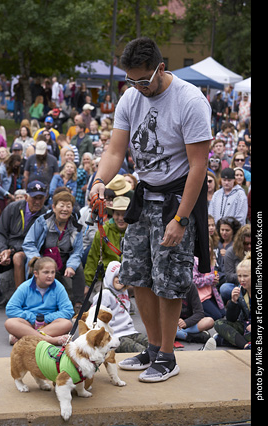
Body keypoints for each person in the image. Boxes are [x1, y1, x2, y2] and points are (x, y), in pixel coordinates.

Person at [90, 37, 212, 383]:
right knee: (136, 273)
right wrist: (99, 181)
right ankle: (154, 347)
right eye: (132, 80)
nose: (139, 87)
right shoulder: (131, 97)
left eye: (144, 80)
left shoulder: (190, 101)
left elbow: (198, 166)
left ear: (161, 68)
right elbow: (116, 150)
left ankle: (169, 356)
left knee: (169, 280)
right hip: (144, 195)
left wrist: (181, 219)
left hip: (177, 197)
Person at [0, 180, 48, 311]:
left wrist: (11, 251)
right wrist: (3, 251)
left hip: (27, 250)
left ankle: (21, 300)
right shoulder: (13, 208)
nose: (37, 202)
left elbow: (37, 242)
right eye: (34, 198)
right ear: (26, 197)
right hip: (7, 247)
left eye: (41, 198)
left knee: (18, 257)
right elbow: (0, 232)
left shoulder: (45, 215)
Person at [22, 191, 85, 314]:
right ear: (54, 207)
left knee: (78, 268)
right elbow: (28, 243)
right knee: (43, 270)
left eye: (68, 206)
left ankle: (78, 303)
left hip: (64, 259)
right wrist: (38, 260)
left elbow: (78, 251)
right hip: (44, 258)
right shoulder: (42, 221)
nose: (65, 209)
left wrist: (71, 266)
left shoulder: (76, 227)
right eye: (61, 205)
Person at [5, 256, 74, 346]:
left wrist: (47, 319)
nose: (50, 276)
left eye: (53, 272)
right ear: (36, 274)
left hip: (49, 324)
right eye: (46, 272)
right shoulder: (25, 287)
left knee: (67, 324)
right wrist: (32, 318)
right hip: (29, 323)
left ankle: (24, 337)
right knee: (10, 323)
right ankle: (51, 340)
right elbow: (10, 309)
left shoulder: (58, 287)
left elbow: (68, 311)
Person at [92, 261, 148, 353]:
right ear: (110, 276)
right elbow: (95, 317)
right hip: (115, 336)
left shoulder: (125, 292)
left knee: (152, 346)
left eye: (123, 277)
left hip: (131, 332)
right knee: (141, 350)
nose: (120, 280)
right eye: (117, 276)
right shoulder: (105, 294)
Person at [84, 196, 130, 289]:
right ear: (112, 215)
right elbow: (93, 258)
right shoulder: (103, 231)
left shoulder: (136, 232)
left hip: (129, 280)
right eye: (117, 214)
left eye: (124, 214)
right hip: (106, 279)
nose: (121, 218)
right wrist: (88, 284)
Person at [213, 252, 251, 350]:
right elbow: (231, 319)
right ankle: (246, 345)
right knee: (218, 323)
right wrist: (233, 302)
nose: (242, 279)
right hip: (246, 327)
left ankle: (227, 340)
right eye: (239, 276)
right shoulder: (241, 290)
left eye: (245, 276)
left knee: (244, 335)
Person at [193, 236, 225, 321]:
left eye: (209, 246)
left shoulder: (210, 260)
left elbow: (211, 280)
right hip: (200, 297)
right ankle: (195, 316)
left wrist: (215, 279)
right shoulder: (195, 261)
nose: (207, 249)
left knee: (223, 314)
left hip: (210, 294)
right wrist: (210, 279)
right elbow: (194, 281)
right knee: (216, 316)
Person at [219, 224, 251, 305]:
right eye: (246, 243)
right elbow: (229, 276)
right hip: (239, 285)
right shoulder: (231, 252)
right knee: (225, 288)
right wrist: (244, 276)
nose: (249, 246)